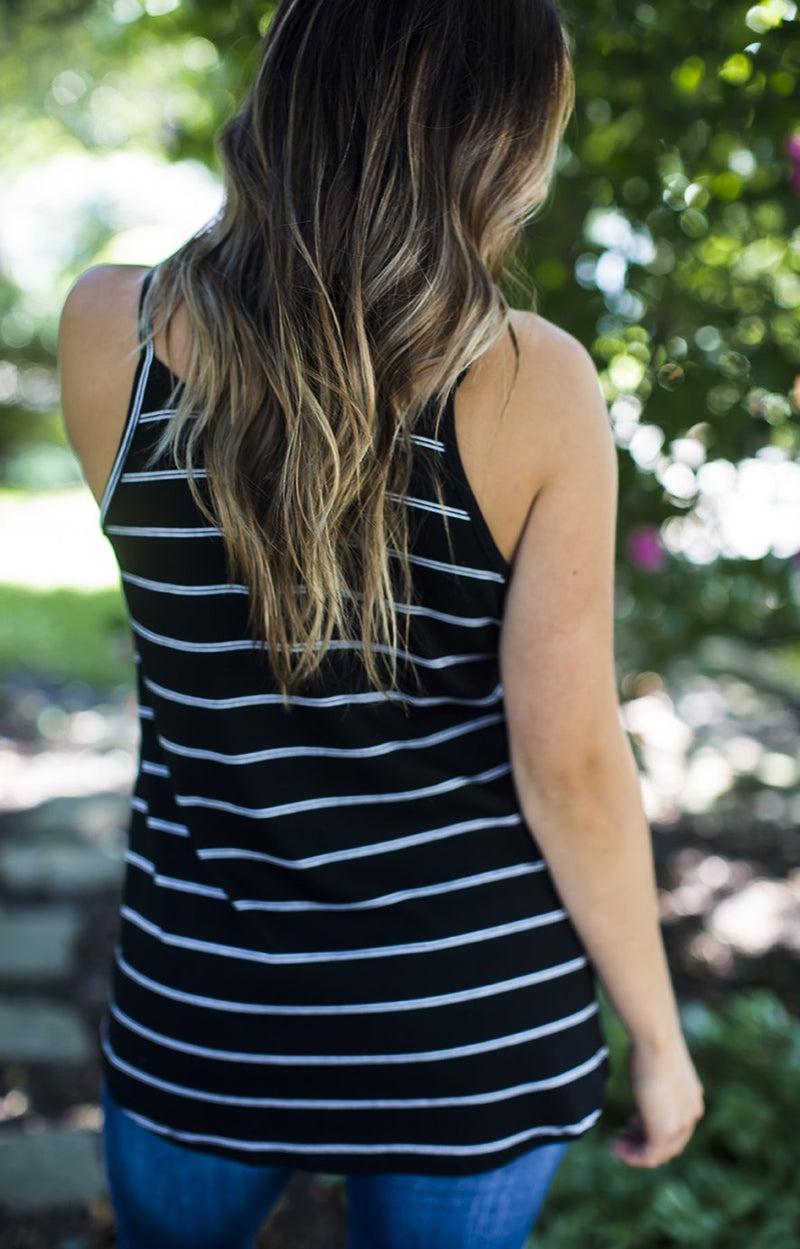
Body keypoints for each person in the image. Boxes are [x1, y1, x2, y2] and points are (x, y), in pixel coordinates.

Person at [57, 1, 705, 1246]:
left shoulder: (112, 331)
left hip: (205, 1009)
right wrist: (659, 1039)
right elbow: (567, 765)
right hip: (468, 1031)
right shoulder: (534, 382)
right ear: (492, 143)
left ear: (288, 95)